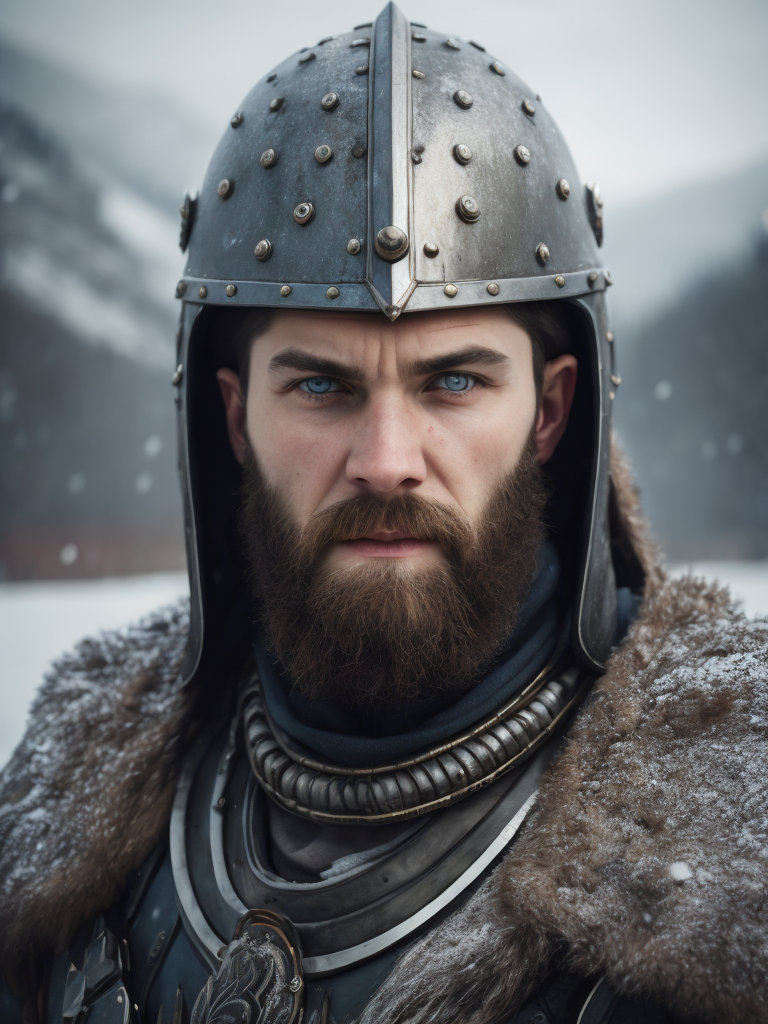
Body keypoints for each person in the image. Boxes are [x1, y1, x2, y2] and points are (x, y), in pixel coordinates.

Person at [1, 5, 766, 1022]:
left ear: (551, 410)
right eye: (321, 388)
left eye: (453, 383)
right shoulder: (69, 823)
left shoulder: (728, 852)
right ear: (233, 418)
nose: (386, 462)